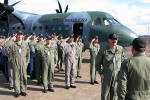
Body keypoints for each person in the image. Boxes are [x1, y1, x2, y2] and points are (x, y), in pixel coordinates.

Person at [97, 33, 124, 100]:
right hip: (106, 76)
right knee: (105, 95)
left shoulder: (120, 49)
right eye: (112, 39)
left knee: (114, 95)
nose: (114, 41)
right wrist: (101, 74)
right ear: (109, 40)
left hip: (117, 76)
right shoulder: (103, 50)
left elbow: (123, 61)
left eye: (116, 39)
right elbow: (97, 64)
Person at [8, 31, 30, 97]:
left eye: (21, 35)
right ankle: (17, 91)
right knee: (16, 78)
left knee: (23, 77)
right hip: (15, 63)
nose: (20, 36)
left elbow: (28, 54)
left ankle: (23, 90)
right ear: (16, 36)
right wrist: (11, 39)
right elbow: (4, 45)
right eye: (18, 35)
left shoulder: (25, 44)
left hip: (23, 63)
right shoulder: (13, 44)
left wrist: (27, 62)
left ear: (22, 36)